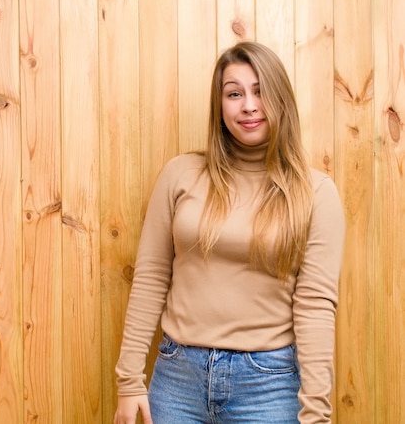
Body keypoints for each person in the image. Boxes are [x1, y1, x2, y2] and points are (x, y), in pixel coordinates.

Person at [113, 41, 345, 424]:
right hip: (177, 379)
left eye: (260, 91)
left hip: (268, 386)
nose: (249, 105)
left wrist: (317, 412)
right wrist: (129, 381)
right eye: (234, 93)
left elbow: (315, 306)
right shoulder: (180, 174)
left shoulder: (316, 192)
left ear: (281, 99)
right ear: (220, 107)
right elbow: (151, 277)